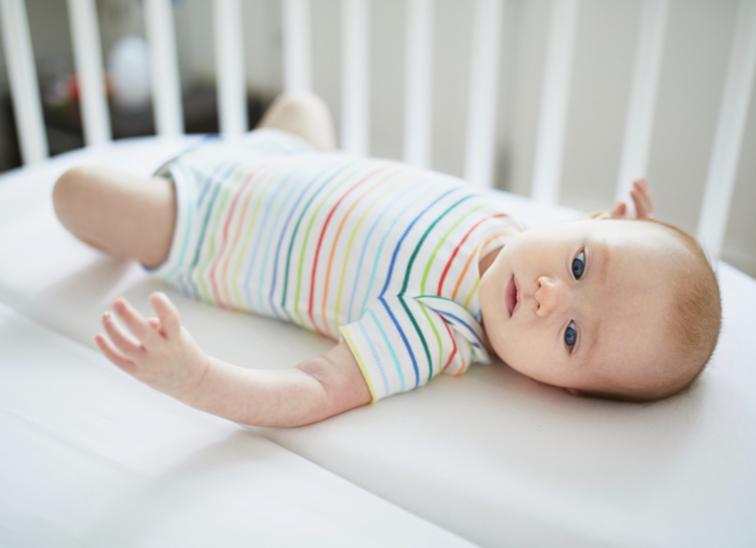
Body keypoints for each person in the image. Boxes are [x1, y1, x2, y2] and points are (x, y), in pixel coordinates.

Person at [52, 91, 721, 427]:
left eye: (572, 335)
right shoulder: (520, 225)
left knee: (73, 192)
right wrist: (624, 240)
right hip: (293, 159)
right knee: (304, 104)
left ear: (563, 387)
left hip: (202, 222)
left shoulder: (439, 329)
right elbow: (596, 256)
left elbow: (314, 389)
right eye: (580, 266)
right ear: (586, 222)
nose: (549, 295)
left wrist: (196, 377)